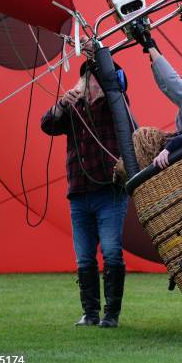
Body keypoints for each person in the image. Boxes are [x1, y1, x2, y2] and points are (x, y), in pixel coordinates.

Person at [40, 56, 129, 328]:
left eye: (96, 76)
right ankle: (90, 313)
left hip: (109, 191)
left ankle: (111, 314)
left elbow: (121, 84)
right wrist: (60, 105)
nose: (91, 81)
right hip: (79, 192)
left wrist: (101, 59)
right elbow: (47, 125)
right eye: (88, 77)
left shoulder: (114, 105)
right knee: (84, 256)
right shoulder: (73, 107)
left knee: (112, 252)